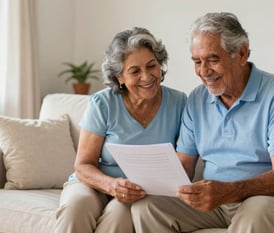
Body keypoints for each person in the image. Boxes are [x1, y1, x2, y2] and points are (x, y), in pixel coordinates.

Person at [131, 12, 274, 233]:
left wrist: (228, 191)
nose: (204, 71)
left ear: (242, 54)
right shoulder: (197, 99)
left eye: (213, 59)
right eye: (197, 62)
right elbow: (183, 168)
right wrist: (145, 182)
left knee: (254, 215)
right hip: (217, 205)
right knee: (146, 208)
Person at [55, 27, 187, 233]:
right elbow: (83, 165)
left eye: (152, 65)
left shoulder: (179, 102)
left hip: (141, 192)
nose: (147, 76)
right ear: (119, 78)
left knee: (119, 217)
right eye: (135, 71)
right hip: (94, 183)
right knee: (76, 207)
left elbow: (183, 162)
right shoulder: (102, 103)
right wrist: (111, 185)